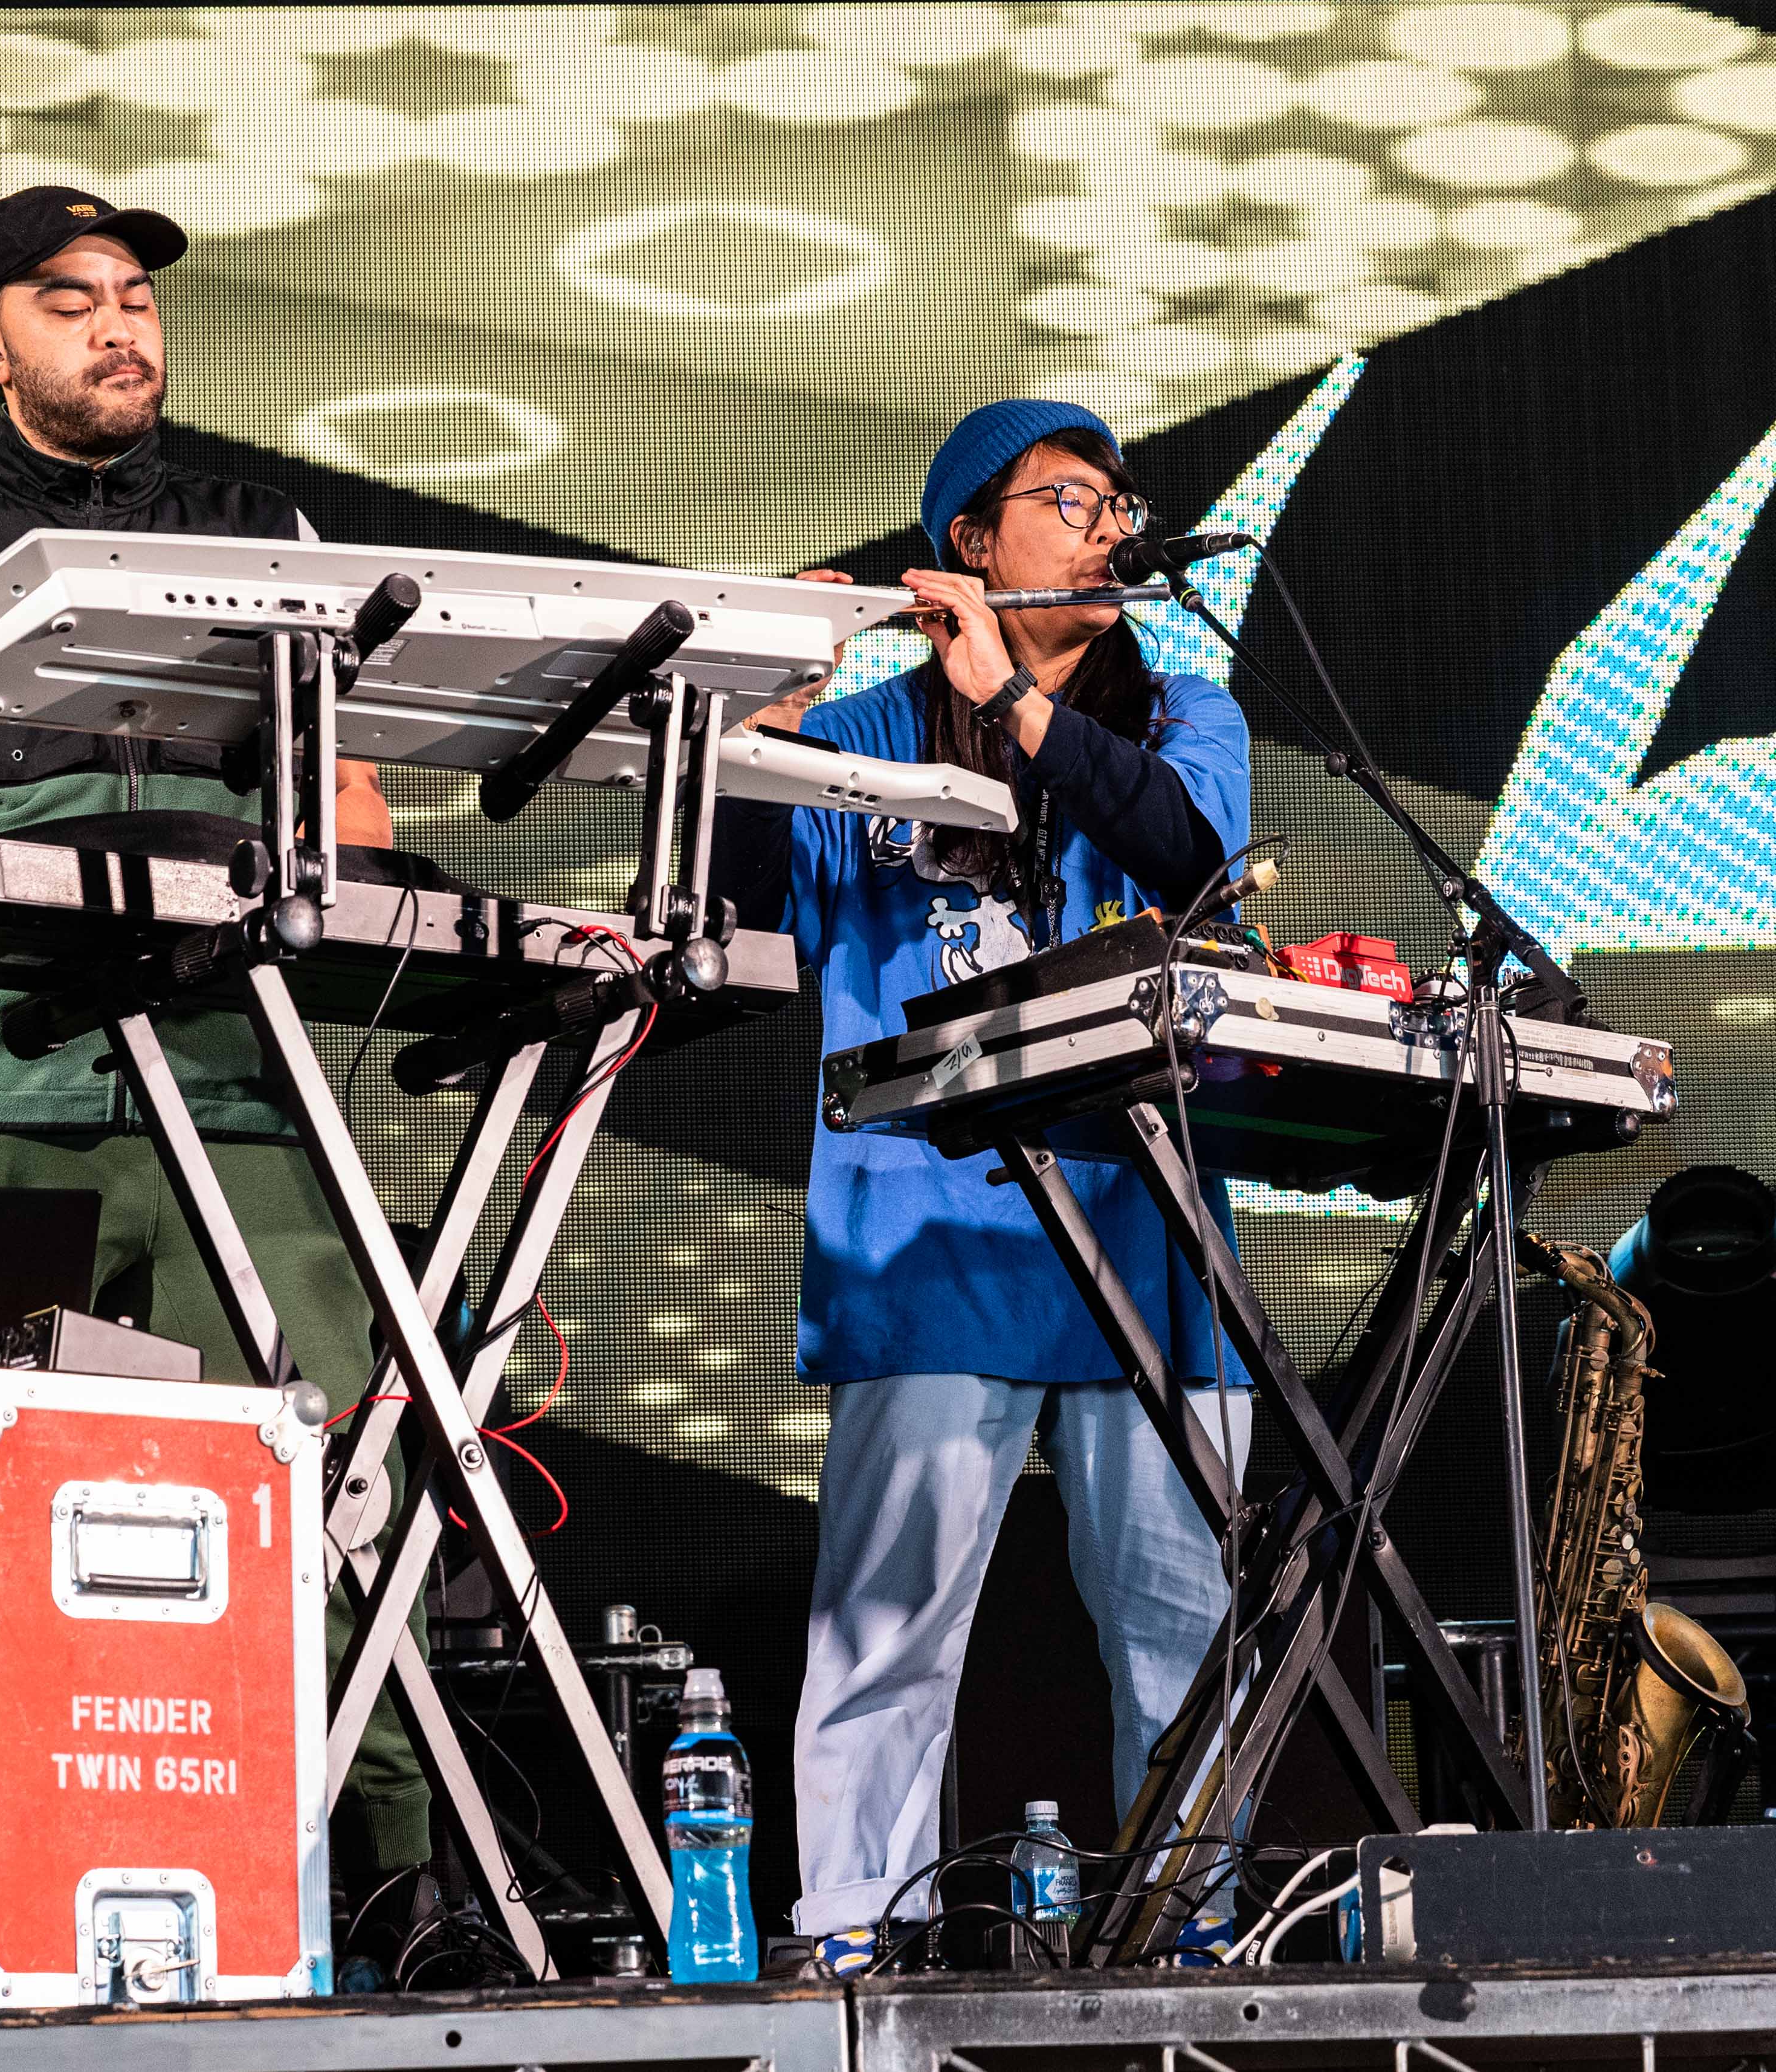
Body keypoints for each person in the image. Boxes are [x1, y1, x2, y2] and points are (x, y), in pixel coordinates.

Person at [0, 186, 433, 1931]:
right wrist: (88, 854)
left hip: (235, 1091)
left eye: (134, 294)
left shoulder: (263, 531)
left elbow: (359, 821)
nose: (118, 324)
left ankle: (383, 1904)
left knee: (321, 1495)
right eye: (68, 301)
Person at [717, 400, 1256, 1973]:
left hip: (1150, 1246)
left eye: (1118, 502)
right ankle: (851, 1941)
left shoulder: (1184, 712)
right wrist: (754, 736)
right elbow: (741, 925)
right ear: (970, 540)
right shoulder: (867, 734)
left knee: (1183, 1629)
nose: (1109, 526)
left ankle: (1190, 1938)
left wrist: (1012, 704)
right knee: (887, 1631)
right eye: (1068, 500)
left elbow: (1196, 857)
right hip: (930, 1237)